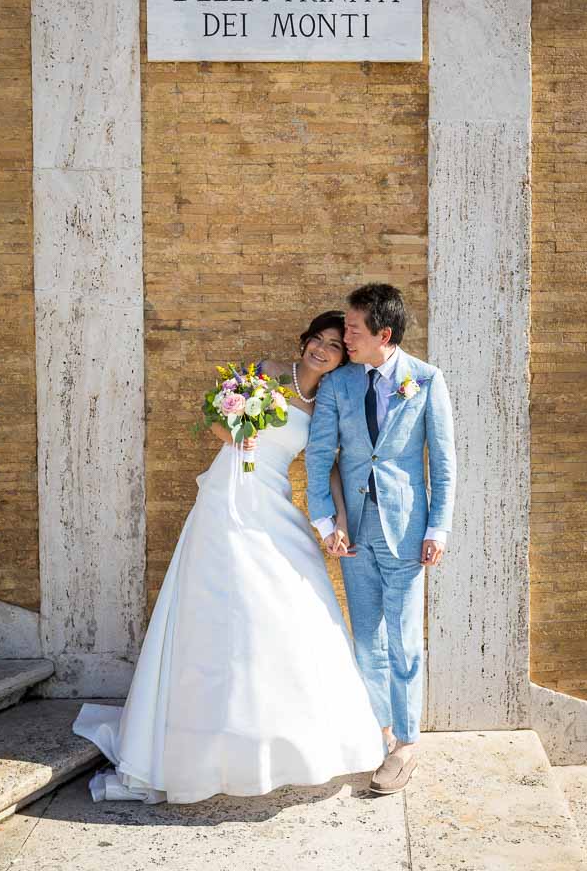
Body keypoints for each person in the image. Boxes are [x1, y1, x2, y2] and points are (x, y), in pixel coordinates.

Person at [72, 310, 385, 804]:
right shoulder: (266, 372)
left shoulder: (329, 401)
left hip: (273, 502)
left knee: (288, 605)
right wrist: (237, 434)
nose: (322, 349)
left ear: (341, 359)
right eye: (317, 340)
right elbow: (216, 420)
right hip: (226, 495)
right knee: (218, 602)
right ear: (304, 341)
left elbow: (327, 468)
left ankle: (286, 738)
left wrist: (340, 521)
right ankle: (195, 742)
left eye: (334, 346)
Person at [306, 284, 456, 795]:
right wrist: (326, 522)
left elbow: (443, 463)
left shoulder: (428, 381)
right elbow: (320, 454)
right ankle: (381, 732)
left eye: (352, 329)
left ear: (383, 334)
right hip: (354, 533)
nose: (344, 336)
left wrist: (438, 527)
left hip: (408, 533)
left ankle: (408, 741)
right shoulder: (337, 385)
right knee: (366, 635)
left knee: (404, 637)